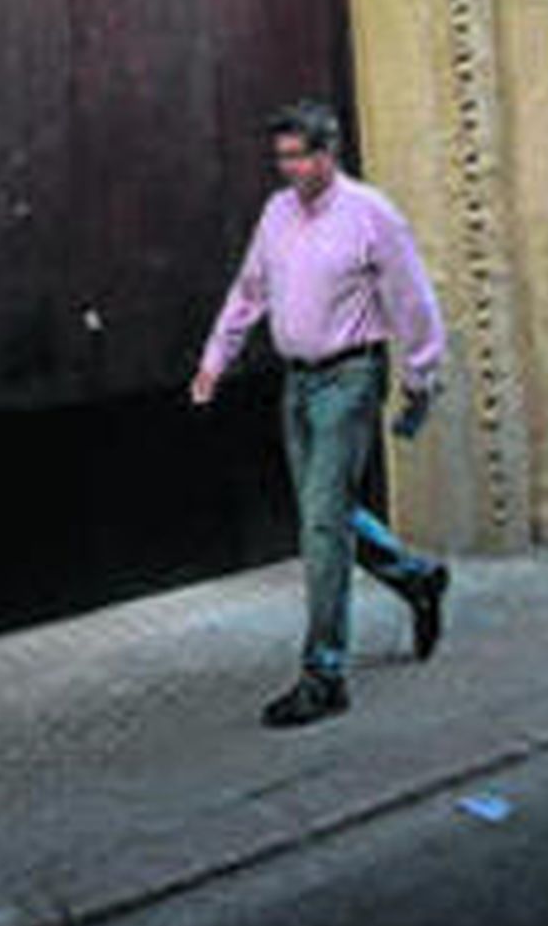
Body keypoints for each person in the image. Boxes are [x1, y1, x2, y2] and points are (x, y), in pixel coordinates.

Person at [190, 98, 450, 728]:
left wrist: (420, 377)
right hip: (298, 384)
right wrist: (215, 359)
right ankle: (417, 578)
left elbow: (412, 301)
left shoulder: (372, 215)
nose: (289, 169)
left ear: (329, 153)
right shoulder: (277, 213)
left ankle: (324, 674)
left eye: (300, 156)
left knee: (321, 527)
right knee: (324, 513)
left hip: (350, 378)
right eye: (281, 157)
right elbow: (251, 290)